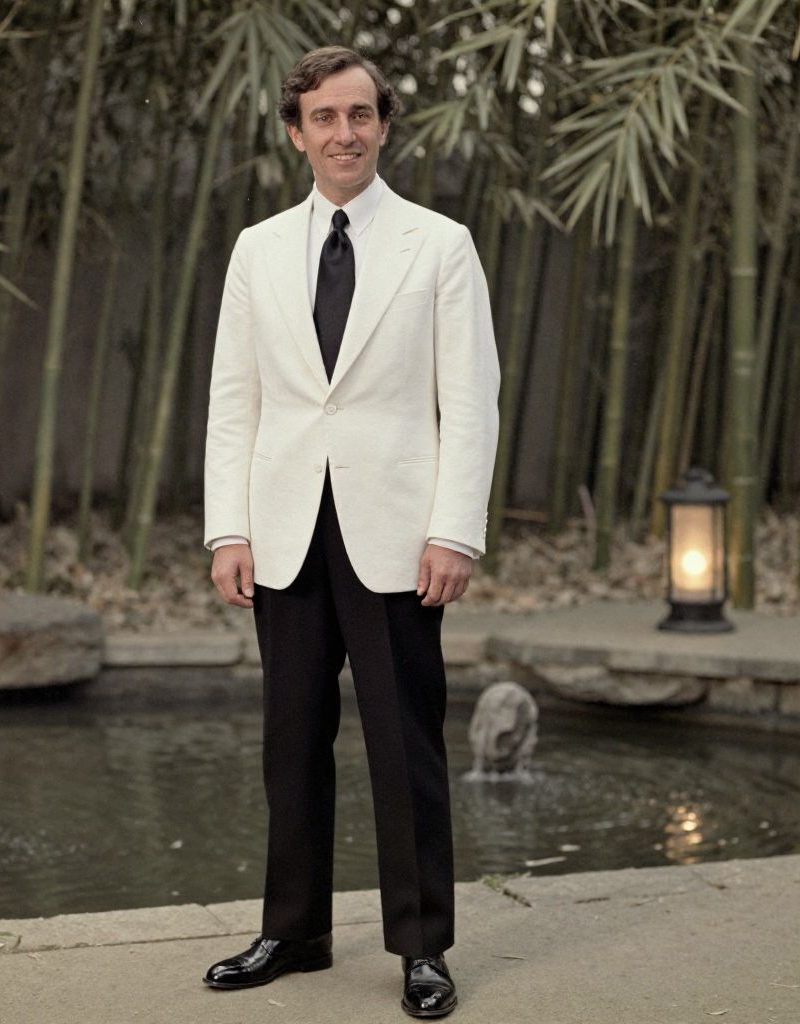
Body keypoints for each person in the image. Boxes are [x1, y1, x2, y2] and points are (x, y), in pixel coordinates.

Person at [201, 45, 500, 1020]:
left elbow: (472, 400)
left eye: (360, 114)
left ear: (383, 125)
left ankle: (421, 946)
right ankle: (294, 930)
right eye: (324, 117)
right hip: (284, 526)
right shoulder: (255, 249)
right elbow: (233, 402)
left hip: (399, 534)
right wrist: (227, 529)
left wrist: (455, 531)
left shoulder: (439, 245)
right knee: (290, 736)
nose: (344, 133)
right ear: (296, 133)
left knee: (403, 741)